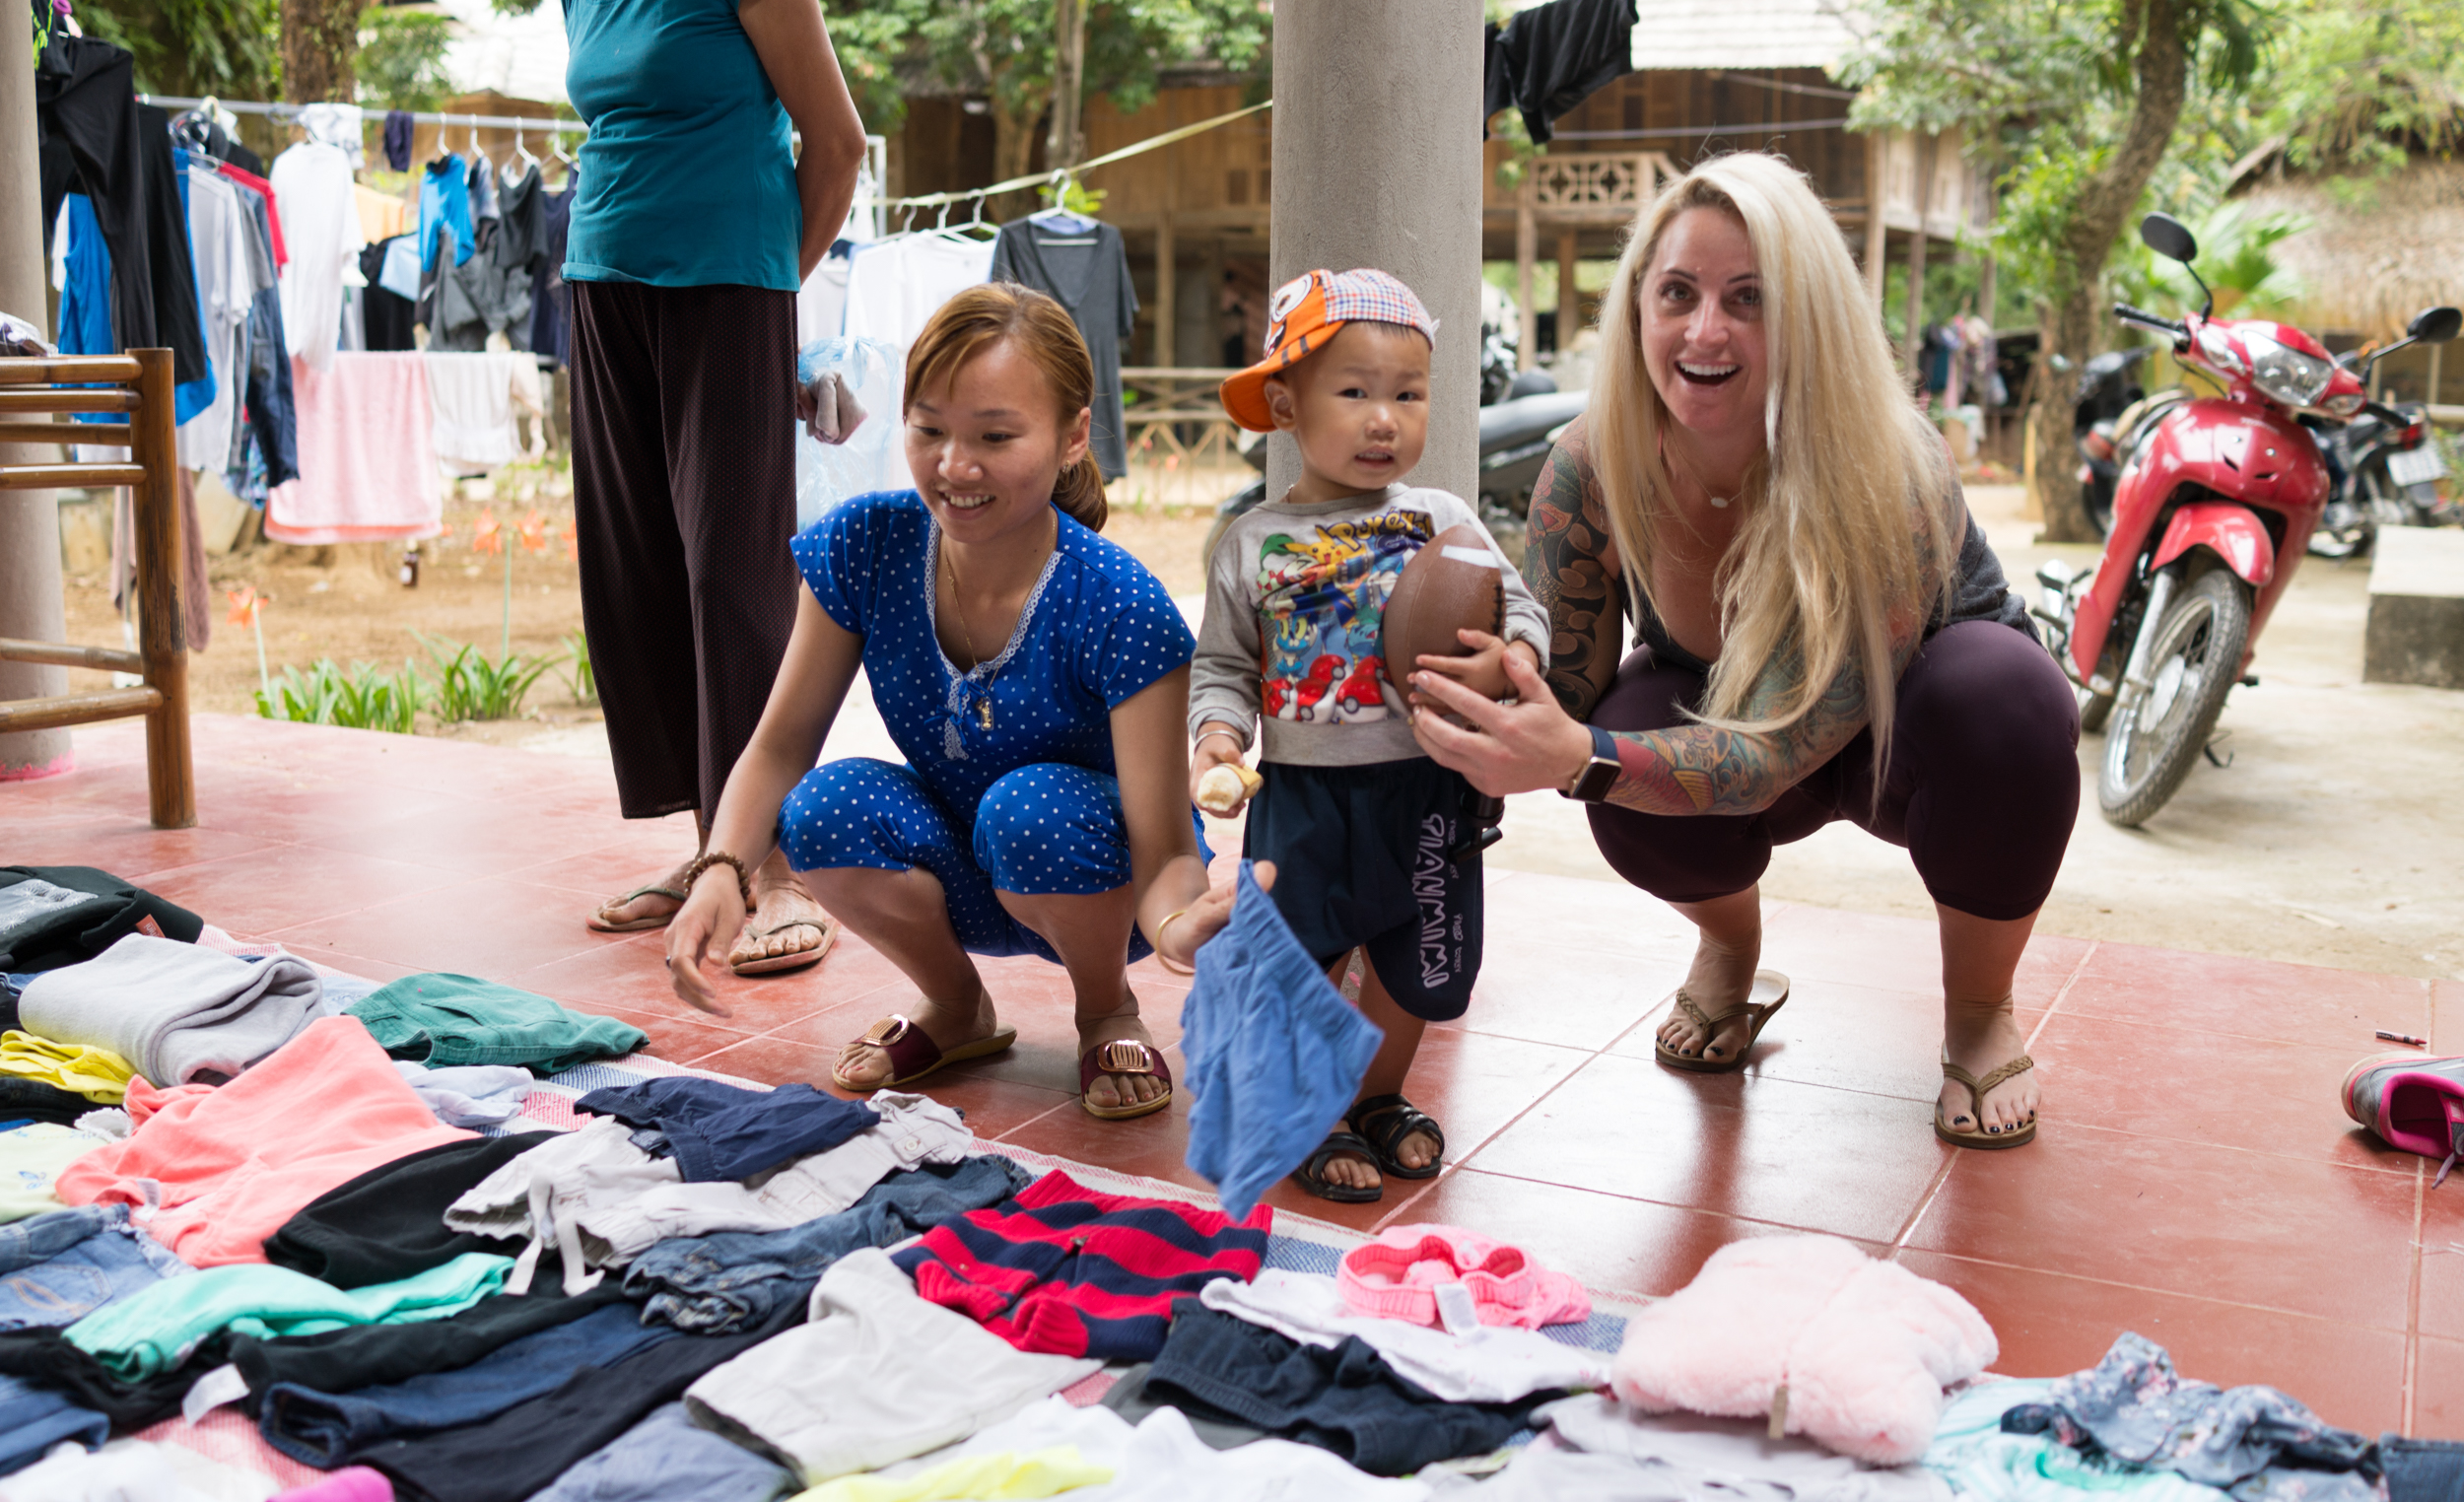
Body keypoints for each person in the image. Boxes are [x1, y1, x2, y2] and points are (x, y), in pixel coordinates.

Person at [1407, 153, 2080, 1150]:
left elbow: (1770, 752)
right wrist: (1479, 685)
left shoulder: (1889, 467)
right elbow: (1567, 683)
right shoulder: (1591, 462)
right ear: (1636, 306)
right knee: (1628, 720)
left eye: (1749, 298)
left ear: (1807, 319)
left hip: (1910, 747)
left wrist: (1574, 755)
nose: (1705, 329)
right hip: (1731, 737)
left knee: (2007, 695)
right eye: (1677, 292)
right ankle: (1730, 947)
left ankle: (1979, 1008)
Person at [664, 284, 1224, 1120]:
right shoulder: (867, 544)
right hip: (959, 862)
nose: (954, 467)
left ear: (1073, 435)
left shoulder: (1122, 605)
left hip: (1103, 878)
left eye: (995, 436)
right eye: (929, 430)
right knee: (819, 808)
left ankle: (1105, 1007)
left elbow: (1165, 846)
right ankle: (957, 1007)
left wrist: (1182, 926)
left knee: (1025, 808)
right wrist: (722, 870)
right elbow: (781, 746)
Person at [537, 0, 870, 972]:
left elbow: (837, 143)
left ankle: (770, 869)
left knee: (732, 574)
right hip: (602, 282)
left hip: (726, 283)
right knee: (637, 573)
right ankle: (703, 853)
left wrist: (767, 285)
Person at [1188, 268, 1548, 1200]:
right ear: (1285, 403)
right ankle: (1308, 1112)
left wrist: (1508, 657)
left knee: (1422, 960)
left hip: (1428, 785)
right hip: (1303, 795)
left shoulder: (1445, 521)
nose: (1384, 418)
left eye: (1407, 394)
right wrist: (1218, 741)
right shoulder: (1251, 540)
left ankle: (1379, 1096)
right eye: (1354, 393)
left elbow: (1524, 609)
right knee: (1302, 956)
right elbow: (1224, 664)